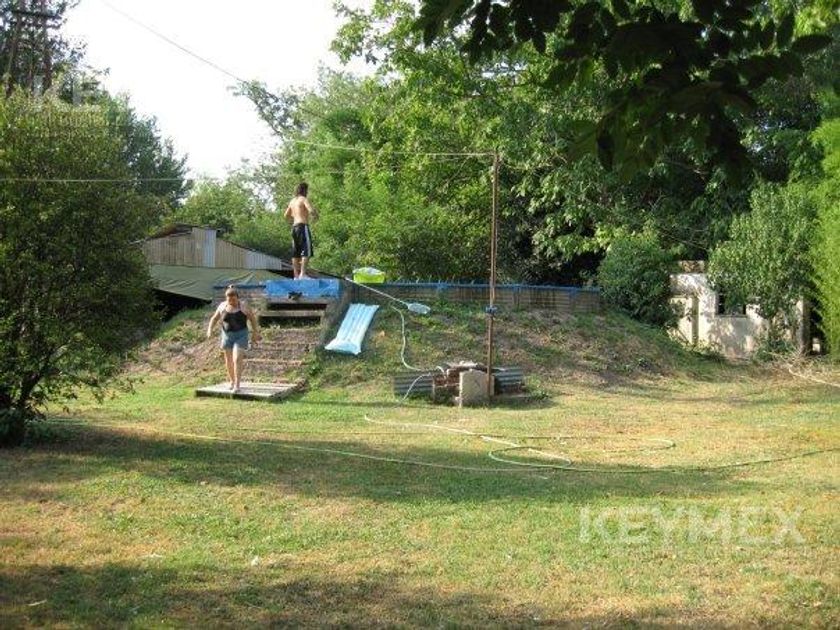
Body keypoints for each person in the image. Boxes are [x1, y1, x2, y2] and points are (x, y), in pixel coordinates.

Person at [206, 286, 260, 393]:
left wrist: (255, 333)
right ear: (226, 299)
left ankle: (237, 385)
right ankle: (232, 381)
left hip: (241, 335)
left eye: (234, 300)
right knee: (229, 360)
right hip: (227, 336)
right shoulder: (222, 306)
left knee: (237, 358)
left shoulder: (243, 306)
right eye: (229, 300)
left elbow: (252, 319)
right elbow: (214, 318)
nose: (232, 302)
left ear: (237, 298)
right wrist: (209, 330)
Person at [283, 181, 319, 279]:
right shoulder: (303, 199)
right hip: (302, 226)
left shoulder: (292, 201)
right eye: (307, 190)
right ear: (304, 190)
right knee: (306, 251)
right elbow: (311, 210)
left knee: (296, 253)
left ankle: (296, 276)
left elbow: (286, 215)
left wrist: (295, 218)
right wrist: (315, 215)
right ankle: (302, 274)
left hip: (294, 228)